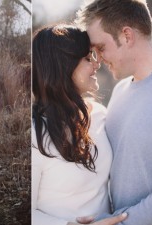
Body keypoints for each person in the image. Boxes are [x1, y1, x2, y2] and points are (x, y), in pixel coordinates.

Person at [75, 0, 152, 224]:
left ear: (126, 36)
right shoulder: (121, 90)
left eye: (101, 48)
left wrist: (120, 221)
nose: (98, 60)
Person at [32, 24, 127, 225]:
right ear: (63, 66)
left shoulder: (101, 114)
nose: (96, 63)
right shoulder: (35, 132)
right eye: (87, 58)